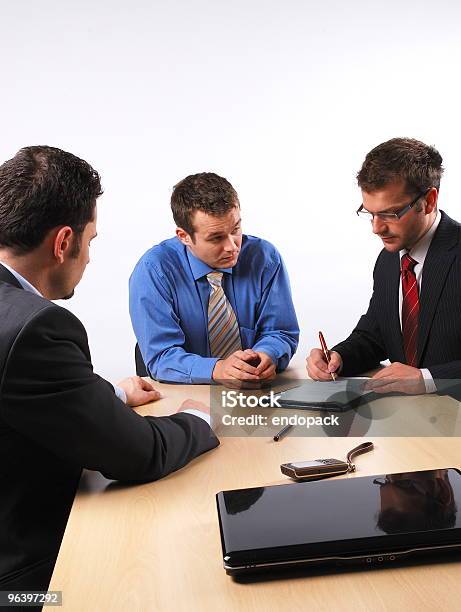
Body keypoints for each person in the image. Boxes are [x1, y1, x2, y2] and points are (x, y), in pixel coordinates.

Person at [0, 146, 219, 593]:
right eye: (91, 241)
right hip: (25, 583)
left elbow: (22, 392)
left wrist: (112, 396)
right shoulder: (36, 326)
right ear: (63, 243)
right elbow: (139, 454)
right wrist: (198, 418)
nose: (89, 258)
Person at [307, 137, 461, 395]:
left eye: (390, 214)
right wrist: (338, 357)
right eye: (370, 213)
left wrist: (427, 379)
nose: (377, 228)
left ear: (430, 201)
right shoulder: (389, 259)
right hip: (405, 423)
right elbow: (376, 335)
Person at [129, 172, 299, 385]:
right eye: (216, 238)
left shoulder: (265, 259)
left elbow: (280, 331)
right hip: (182, 395)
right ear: (184, 236)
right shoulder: (154, 270)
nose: (232, 246)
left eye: (235, 229)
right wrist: (218, 369)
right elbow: (161, 357)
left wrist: (267, 354)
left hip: (254, 391)